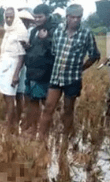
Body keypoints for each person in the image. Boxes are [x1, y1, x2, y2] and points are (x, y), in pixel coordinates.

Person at [38, 4, 100, 141]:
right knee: (48, 106)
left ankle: (66, 138)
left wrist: (82, 68)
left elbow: (95, 55)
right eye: (72, 17)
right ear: (67, 17)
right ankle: (41, 137)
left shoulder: (86, 33)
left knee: (68, 109)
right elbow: (54, 51)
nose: (76, 20)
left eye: (78, 17)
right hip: (56, 76)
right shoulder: (59, 30)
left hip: (73, 79)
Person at [21, 4, 58, 138]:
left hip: (45, 72)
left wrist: (46, 40)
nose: (37, 19)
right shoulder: (33, 31)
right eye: (35, 17)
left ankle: (45, 132)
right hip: (31, 70)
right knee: (32, 100)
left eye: (40, 17)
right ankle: (33, 128)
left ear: (47, 16)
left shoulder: (54, 30)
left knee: (45, 103)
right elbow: (33, 48)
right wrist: (27, 46)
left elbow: (56, 50)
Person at [0, 7, 30, 132]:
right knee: (12, 95)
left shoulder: (20, 31)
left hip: (13, 66)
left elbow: (21, 55)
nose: (8, 19)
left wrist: (15, 74)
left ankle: (10, 125)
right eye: (7, 17)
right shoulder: (8, 29)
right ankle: (14, 121)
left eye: (11, 17)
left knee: (10, 97)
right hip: (5, 65)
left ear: (16, 17)